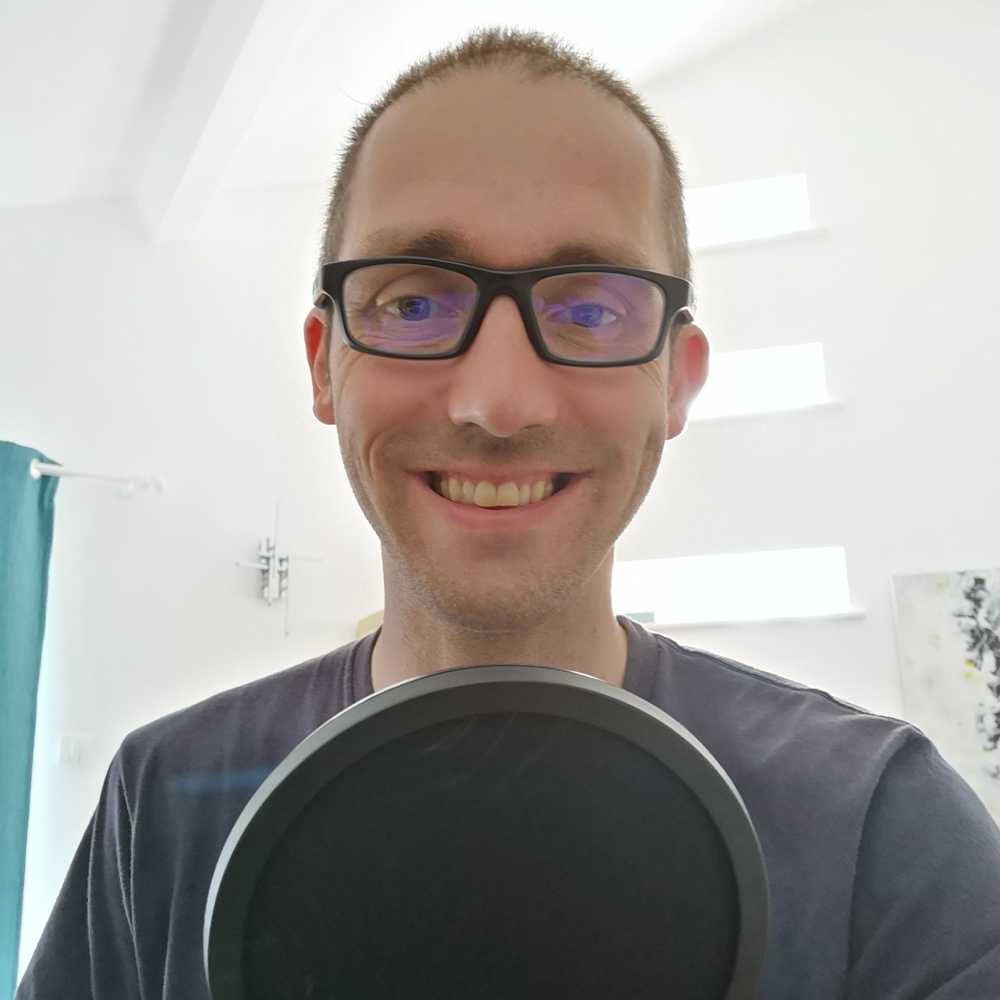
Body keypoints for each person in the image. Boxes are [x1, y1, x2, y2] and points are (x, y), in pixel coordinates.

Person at [17, 28, 1000, 1000]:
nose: (497, 401)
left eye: (588, 310)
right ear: (323, 362)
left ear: (676, 381)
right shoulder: (165, 802)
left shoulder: (879, 826)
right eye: (412, 304)